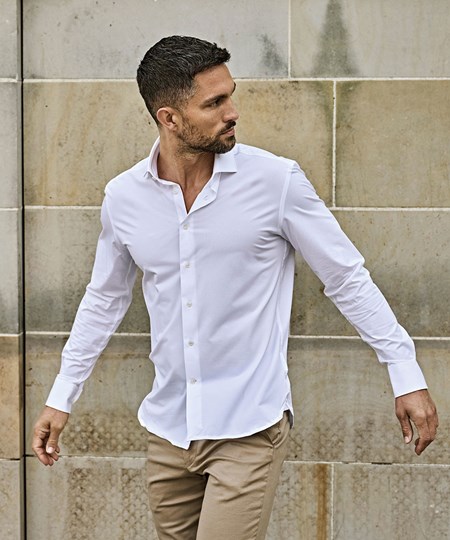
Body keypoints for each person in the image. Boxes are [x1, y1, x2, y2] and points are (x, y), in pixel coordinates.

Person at [32, 35, 438, 539]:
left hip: (249, 426)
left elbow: (346, 276)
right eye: (214, 103)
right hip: (168, 431)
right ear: (169, 118)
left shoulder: (275, 181)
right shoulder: (124, 197)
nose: (233, 113)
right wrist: (61, 396)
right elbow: (104, 299)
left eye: (230, 95)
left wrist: (404, 371)